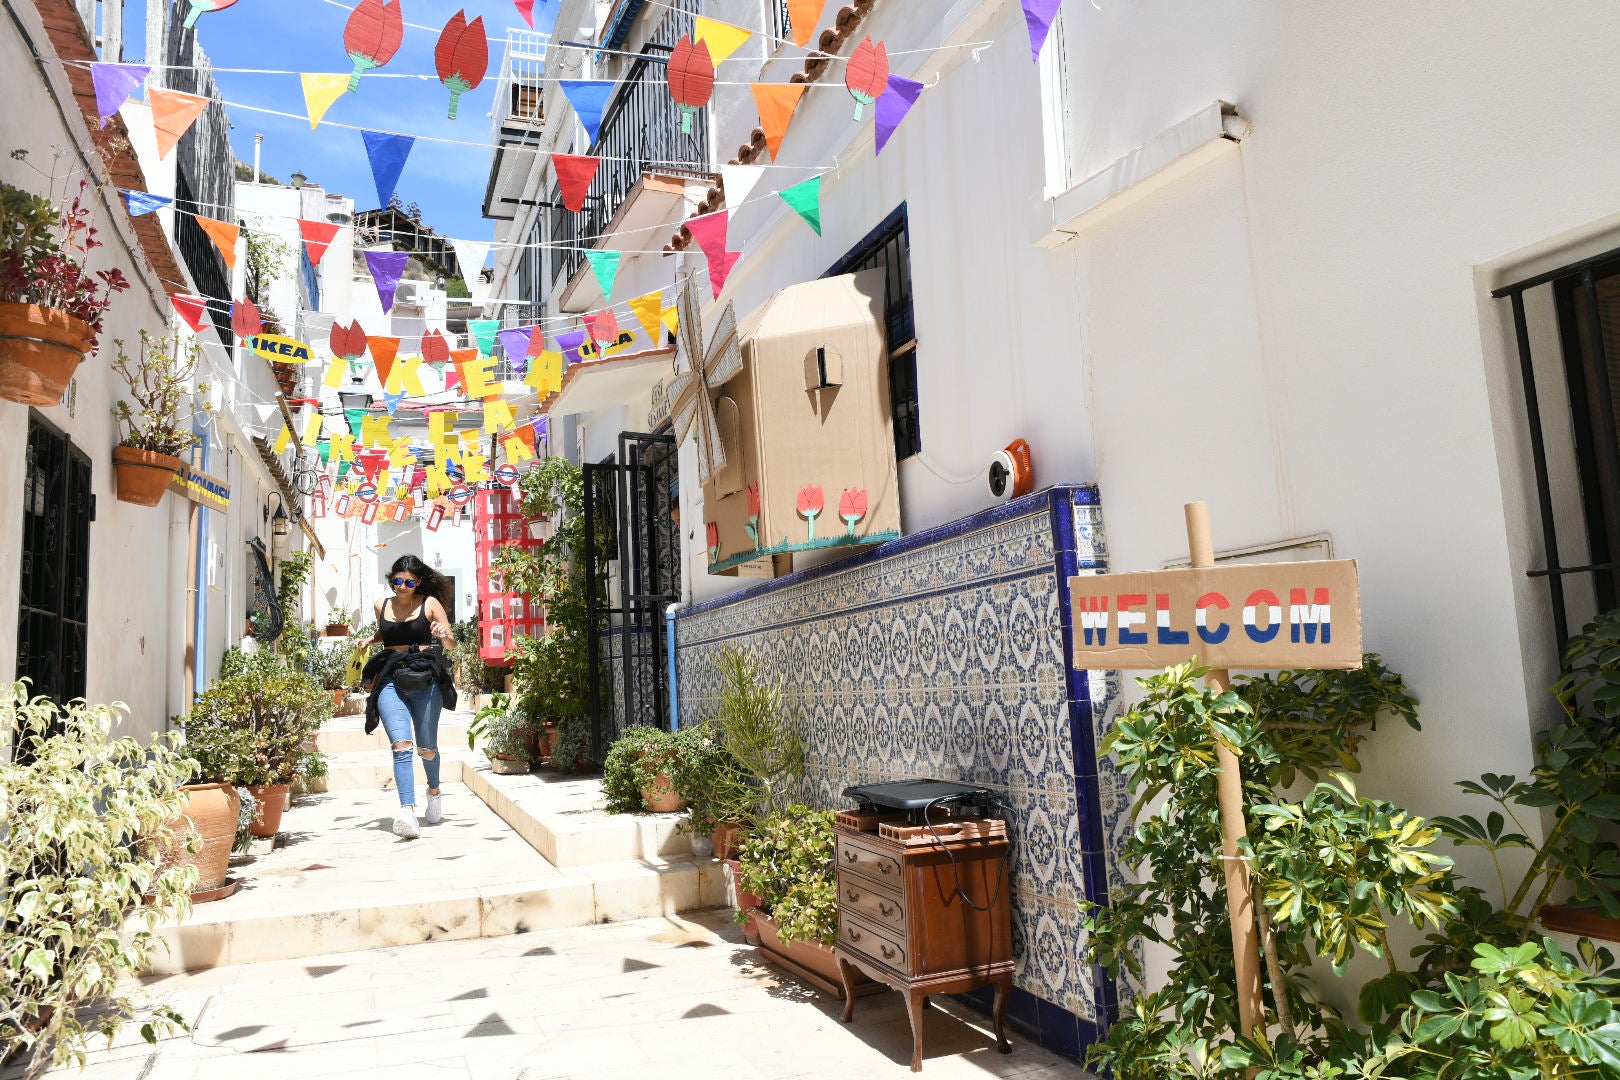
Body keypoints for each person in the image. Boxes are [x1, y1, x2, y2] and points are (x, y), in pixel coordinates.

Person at [358, 555, 457, 839]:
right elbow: (389, 632)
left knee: (426, 748)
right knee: (401, 745)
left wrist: (443, 632)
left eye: (408, 582)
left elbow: (449, 642)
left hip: (424, 678)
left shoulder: (430, 604)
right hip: (390, 676)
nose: (401, 586)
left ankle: (434, 791)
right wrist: (369, 640)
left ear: (419, 582)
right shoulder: (381, 605)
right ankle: (407, 811)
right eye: (397, 581)